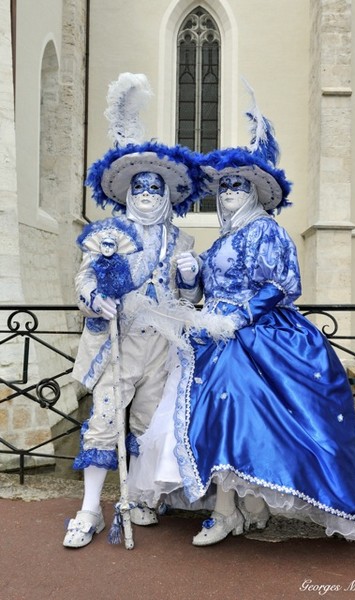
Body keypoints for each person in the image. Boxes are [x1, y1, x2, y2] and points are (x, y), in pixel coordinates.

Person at [127, 84, 355, 547]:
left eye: (237, 185)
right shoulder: (225, 240)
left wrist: (239, 317)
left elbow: (281, 284)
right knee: (217, 418)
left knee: (237, 418)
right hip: (213, 334)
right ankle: (242, 507)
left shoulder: (269, 230)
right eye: (223, 186)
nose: (227, 192)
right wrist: (190, 273)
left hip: (260, 337)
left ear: (256, 192)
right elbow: (202, 288)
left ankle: (235, 510)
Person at [63, 73, 202, 548]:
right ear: (127, 193)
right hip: (116, 341)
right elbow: (84, 279)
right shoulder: (108, 234)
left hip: (161, 346)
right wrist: (94, 298)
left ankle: (139, 498)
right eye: (139, 188)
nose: (146, 194)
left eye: (154, 188)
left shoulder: (181, 240)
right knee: (104, 422)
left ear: (166, 195)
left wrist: (188, 278)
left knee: (146, 424)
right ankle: (89, 511)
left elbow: (188, 302)